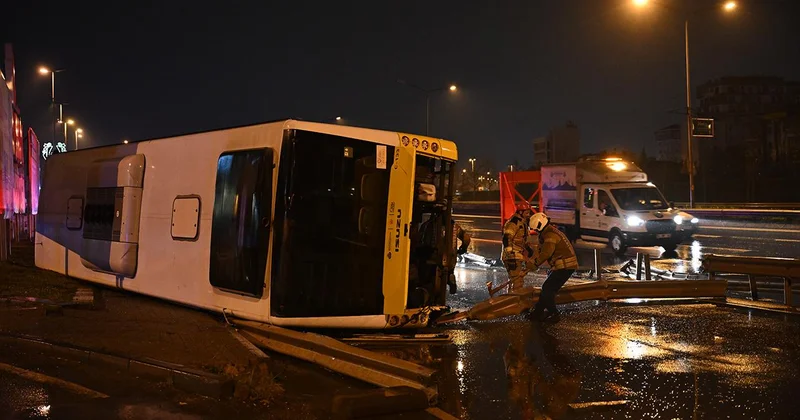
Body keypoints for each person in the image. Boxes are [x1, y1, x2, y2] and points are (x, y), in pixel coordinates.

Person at [529, 212, 578, 322]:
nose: (536, 232)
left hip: (565, 267)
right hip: (562, 267)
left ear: (540, 225)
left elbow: (546, 253)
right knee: (547, 289)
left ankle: (554, 314)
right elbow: (541, 251)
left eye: (536, 229)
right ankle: (537, 313)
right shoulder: (549, 232)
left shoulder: (550, 235)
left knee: (547, 289)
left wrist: (534, 264)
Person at [502, 203, 535, 292]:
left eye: (529, 212)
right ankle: (514, 300)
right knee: (517, 282)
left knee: (515, 279)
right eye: (526, 212)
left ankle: (509, 298)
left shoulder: (522, 223)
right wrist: (510, 255)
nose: (528, 215)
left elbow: (522, 239)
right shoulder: (514, 222)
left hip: (517, 255)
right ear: (520, 212)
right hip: (512, 256)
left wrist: (528, 249)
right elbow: (507, 238)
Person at [447, 220, 471, 294]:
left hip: (432, 257)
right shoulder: (454, 226)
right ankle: (452, 284)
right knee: (450, 272)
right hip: (450, 257)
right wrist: (463, 248)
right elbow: (466, 238)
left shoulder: (428, 225)